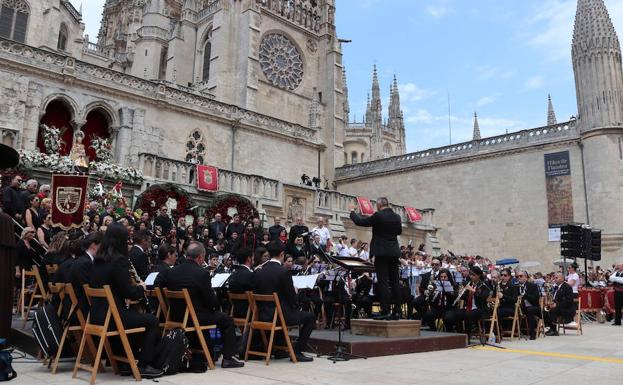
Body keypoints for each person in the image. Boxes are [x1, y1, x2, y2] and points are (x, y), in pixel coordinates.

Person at [89, 223, 162, 377]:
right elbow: (130, 293)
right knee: (152, 321)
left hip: (97, 315)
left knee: (134, 317)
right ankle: (143, 365)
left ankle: (123, 363)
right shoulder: (118, 260)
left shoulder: (98, 259)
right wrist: (141, 287)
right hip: (113, 317)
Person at [155, 242, 244, 368]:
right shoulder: (202, 274)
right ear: (201, 257)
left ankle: (207, 352)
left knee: (208, 315)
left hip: (175, 316)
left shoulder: (171, 271)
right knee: (227, 320)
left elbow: (157, 284)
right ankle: (229, 357)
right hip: (195, 317)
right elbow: (212, 302)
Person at [253, 241, 315, 361]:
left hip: (261, 314)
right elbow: (293, 300)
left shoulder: (259, 271)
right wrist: (295, 292)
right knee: (310, 317)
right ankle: (297, 352)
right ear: (282, 254)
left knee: (284, 308)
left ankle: (279, 349)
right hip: (279, 316)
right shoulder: (283, 272)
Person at [350, 197, 402, 320]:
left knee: (383, 282)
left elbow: (360, 222)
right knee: (395, 282)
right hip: (394, 252)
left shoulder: (378, 215)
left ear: (378, 205)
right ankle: (397, 311)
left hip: (381, 252)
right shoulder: (397, 217)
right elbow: (399, 231)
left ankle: (386, 311)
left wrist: (352, 211)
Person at [443, 266, 491, 336]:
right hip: (468, 308)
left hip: (480, 309)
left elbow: (483, 297)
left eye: (473, 275)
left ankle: (467, 336)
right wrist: (460, 293)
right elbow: (464, 297)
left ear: (479, 275)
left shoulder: (484, 284)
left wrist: (472, 290)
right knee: (452, 314)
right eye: (470, 274)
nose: (471, 276)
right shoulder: (469, 283)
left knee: (467, 315)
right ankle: (459, 334)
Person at [69, 232, 102, 315]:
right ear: (94, 245)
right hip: (81, 310)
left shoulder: (82, 259)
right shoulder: (85, 263)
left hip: (77, 305)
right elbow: (87, 289)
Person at [517, 271, 541, 339]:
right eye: (517, 276)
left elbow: (536, 299)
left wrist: (525, 295)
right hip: (521, 307)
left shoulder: (533, 286)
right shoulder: (516, 286)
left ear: (525, 277)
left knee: (530, 310)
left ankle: (532, 333)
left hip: (533, 306)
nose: (519, 278)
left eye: (521, 276)